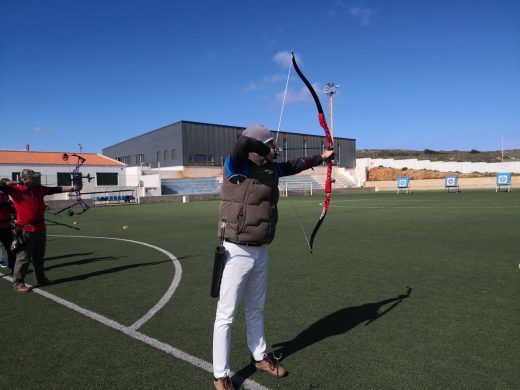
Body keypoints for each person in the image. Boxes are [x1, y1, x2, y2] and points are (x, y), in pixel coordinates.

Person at [212, 124, 334, 389]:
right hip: (236, 248)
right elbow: (243, 143)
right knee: (227, 314)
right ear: (260, 144)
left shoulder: (269, 168)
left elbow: (291, 165)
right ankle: (221, 374)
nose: (275, 146)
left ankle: (259, 357)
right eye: (270, 143)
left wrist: (320, 159)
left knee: (256, 308)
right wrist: (263, 147)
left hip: (261, 248)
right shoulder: (237, 165)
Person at [0, 170, 73, 293]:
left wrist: (73, 188)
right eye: (32, 178)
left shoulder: (39, 188)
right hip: (25, 229)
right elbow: (1, 185)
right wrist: (17, 182)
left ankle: (41, 279)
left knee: (39, 256)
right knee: (23, 257)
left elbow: (57, 189)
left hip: (40, 228)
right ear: (25, 179)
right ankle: (18, 283)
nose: (36, 180)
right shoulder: (15, 189)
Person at [0, 179, 16, 272]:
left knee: (11, 249)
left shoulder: (6, 195)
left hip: (6, 226)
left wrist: (14, 208)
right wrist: (8, 202)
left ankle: (13, 267)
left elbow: (9, 210)